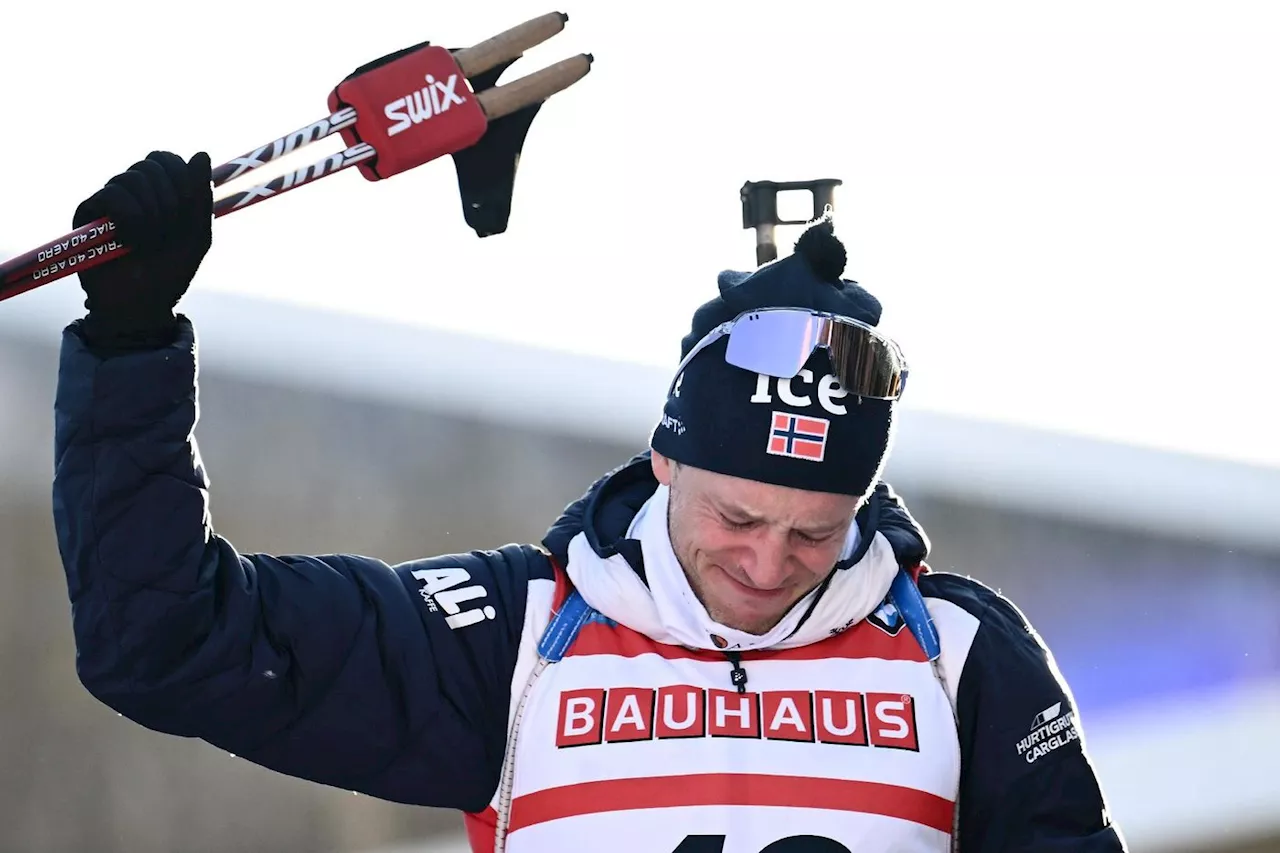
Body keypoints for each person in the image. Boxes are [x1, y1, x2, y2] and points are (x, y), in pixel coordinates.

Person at [51, 150, 1127, 853]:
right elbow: (164, 641)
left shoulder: (957, 654)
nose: (764, 564)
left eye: (814, 531)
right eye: (737, 519)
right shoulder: (514, 635)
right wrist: (133, 345)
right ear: (664, 460)